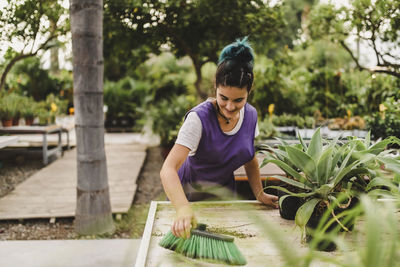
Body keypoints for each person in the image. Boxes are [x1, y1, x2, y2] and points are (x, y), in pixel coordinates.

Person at [160, 37, 278, 239]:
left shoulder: (251, 116)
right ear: (215, 88)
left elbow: (250, 159)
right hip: (189, 198)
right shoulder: (198, 119)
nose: (230, 107)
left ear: (249, 92)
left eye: (238, 100)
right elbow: (168, 169)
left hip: (225, 199)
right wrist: (182, 209)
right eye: (223, 98)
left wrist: (259, 193)